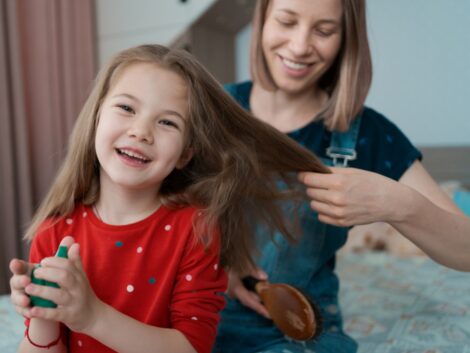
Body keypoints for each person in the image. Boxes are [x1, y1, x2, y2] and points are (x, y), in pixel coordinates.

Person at [8, 44, 328, 353]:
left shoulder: (196, 229)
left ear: (185, 155)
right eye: (126, 108)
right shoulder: (53, 233)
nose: (141, 131)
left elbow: (192, 347)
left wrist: (92, 317)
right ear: (95, 119)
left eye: (167, 122)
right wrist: (42, 316)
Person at [212, 0, 470, 352]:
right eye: (287, 21)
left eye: (324, 30)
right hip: (197, 314)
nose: (301, 46)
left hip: (300, 333)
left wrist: (397, 204)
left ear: (346, 37)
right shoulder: (211, 111)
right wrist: (215, 265)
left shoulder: (367, 134)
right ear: (263, 20)